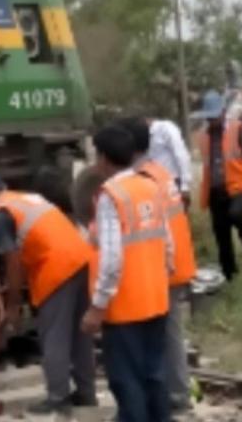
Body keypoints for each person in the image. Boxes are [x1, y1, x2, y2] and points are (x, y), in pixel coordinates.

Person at [0, 173, 96, 414]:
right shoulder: (29, 198)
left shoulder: (0, 214)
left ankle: (57, 397)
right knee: (80, 335)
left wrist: (13, 305)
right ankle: (86, 393)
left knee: (54, 336)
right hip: (82, 258)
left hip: (57, 268)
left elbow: (13, 260)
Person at [80, 125, 173, 422]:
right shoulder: (150, 186)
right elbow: (167, 244)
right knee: (155, 376)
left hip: (124, 308)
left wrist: (97, 307)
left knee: (126, 381)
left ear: (104, 158)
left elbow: (111, 260)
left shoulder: (111, 196)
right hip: (156, 301)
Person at [124, 117, 198, 412]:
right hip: (176, 261)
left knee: (167, 336)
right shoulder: (161, 173)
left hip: (166, 266)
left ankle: (177, 396)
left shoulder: (144, 178)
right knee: (169, 334)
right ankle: (173, 392)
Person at [196, 90, 242, 279]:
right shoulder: (203, 136)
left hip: (240, 187)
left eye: (214, 116)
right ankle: (230, 278)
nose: (211, 121)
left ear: (223, 112)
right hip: (216, 191)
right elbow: (207, 166)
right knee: (221, 235)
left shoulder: (238, 129)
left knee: (235, 214)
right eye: (208, 118)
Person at [146, 115, 194, 209]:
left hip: (173, 182)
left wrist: (185, 186)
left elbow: (181, 155)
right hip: (156, 184)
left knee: (177, 216)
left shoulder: (165, 128)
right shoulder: (144, 135)